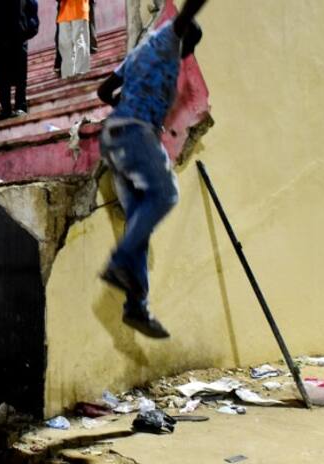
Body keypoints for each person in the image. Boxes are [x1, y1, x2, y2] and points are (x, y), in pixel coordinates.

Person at [96, 0, 206, 338]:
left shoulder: (136, 55)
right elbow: (187, 14)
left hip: (115, 137)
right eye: (188, 51)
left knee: (139, 225)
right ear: (184, 39)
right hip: (135, 134)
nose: (184, 58)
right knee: (166, 194)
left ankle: (136, 306)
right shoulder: (168, 40)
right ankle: (118, 263)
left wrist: (126, 103)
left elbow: (103, 91)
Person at [0, 0, 38, 120]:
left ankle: (20, 106)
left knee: (19, 76)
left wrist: (29, 28)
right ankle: (6, 109)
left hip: (17, 38)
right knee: (1, 78)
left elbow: (31, 6)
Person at [57, 0, 91, 78]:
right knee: (65, 45)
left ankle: (81, 71)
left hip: (79, 9)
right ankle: (68, 74)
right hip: (64, 12)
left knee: (79, 41)